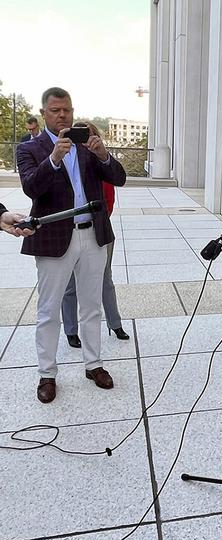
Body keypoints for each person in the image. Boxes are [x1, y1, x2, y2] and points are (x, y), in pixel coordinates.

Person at [16, 87, 126, 404]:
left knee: (91, 305)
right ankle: (47, 374)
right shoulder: (31, 148)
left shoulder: (86, 145)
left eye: (66, 110)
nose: (62, 115)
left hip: (93, 235)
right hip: (53, 237)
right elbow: (31, 187)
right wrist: (54, 159)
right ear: (43, 113)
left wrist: (103, 153)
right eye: (55, 110)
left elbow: (119, 178)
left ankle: (94, 364)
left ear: (73, 111)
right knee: (49, 310)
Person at [60, 122, 129, 348]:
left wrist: (102, 153)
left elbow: (113, 188)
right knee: (70, 284)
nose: (84, 140)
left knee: (105, 279)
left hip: (100, 229)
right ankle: (71, 329)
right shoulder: (69, 160)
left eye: (89, 135)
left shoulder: (99, 160)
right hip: (69, 231)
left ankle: (114, 323)